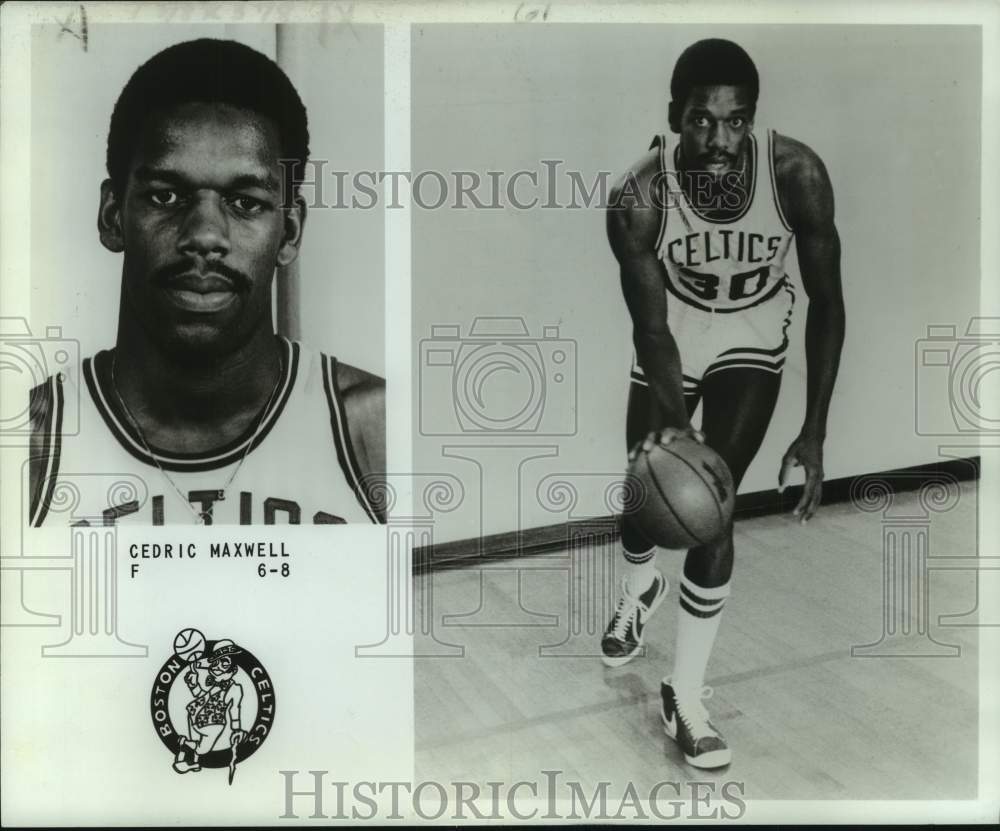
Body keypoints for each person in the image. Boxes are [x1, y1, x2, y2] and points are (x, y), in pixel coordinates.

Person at [602, 38, 845, 768]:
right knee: (646, 487)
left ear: (753, 121)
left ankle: (686, 692)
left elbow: (829, 303)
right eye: (702, 121)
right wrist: (675, 430)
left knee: (714, 502)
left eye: (735, 122)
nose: (718, 138)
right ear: (675, 116)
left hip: (750, 329)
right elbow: (650, 328)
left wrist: (815, 429)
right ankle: (638, 590)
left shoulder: (796, 174)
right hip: (674, 328)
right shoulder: (639, 196)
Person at [27, 39, 385, 526]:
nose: (204, 236)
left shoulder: (373, 428)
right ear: (113, 216)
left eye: (245, 202)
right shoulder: (30, 440)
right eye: (166, 195)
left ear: (290, 230)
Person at [175, 639, 246, 774]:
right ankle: (192, 759)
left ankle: (186, 748)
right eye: (215, 662)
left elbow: (234, 709)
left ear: (234, 668)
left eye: (224, 663)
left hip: (203, 717)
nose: (217, 666)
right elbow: (202, 696)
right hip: (206, 719)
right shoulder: (216, 684)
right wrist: (193, 685)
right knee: (200, 747)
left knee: (201, 748)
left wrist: (236, 729)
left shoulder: (234, 689)